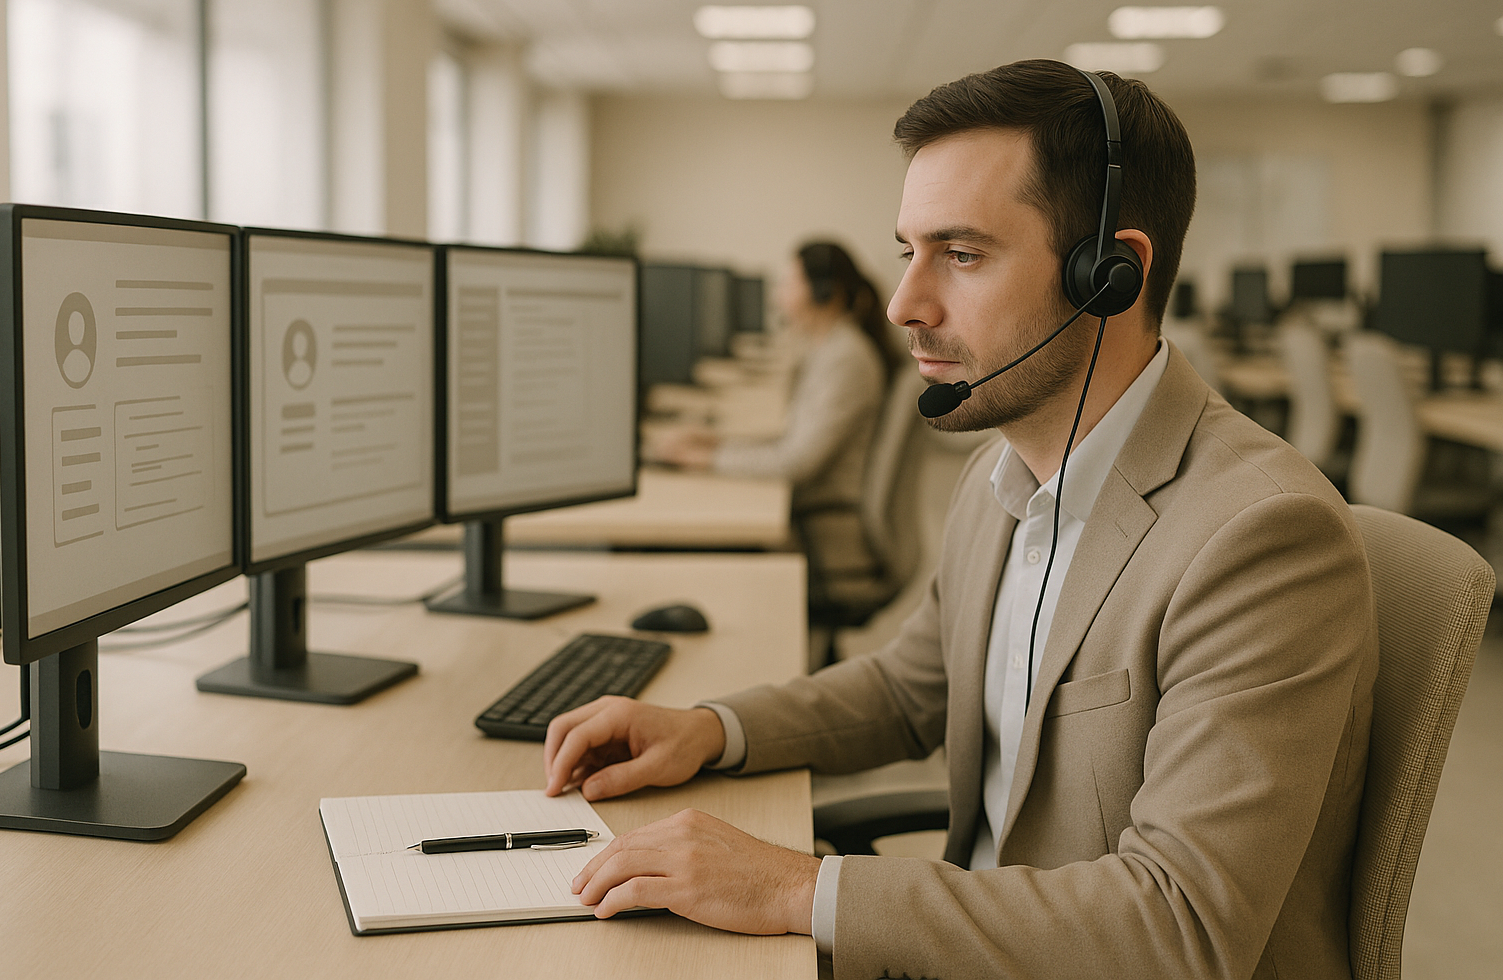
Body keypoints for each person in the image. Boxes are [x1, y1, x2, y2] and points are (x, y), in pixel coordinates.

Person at [543, 60, 1377, 980]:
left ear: (1112, 276)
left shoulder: (1259, 539)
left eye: (963, 254)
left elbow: (1178, 929)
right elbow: (912, 690)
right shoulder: (1004, 475)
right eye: (910, 251)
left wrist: (797, 889)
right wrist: (710, 728)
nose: (905, 305)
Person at [649, 242, 897, 613]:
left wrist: (706, 459)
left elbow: (795, 463)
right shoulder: (832, 349)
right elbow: (797, 439)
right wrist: (717, 442)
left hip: (824, 528)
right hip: (814, 512)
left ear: (823, 292)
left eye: (788, 283)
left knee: (672, 549)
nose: (778, 294)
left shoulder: (846, 359)